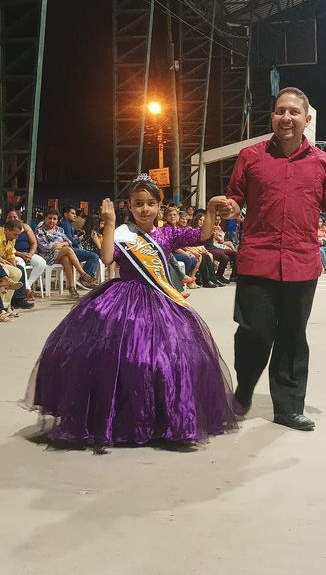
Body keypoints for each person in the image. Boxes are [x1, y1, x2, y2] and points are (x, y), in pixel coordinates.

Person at [21, 175, 238, 452]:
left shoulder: (168, 233)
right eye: (138, 203)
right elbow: (107, 257)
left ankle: (164, 420)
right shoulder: (123, 232)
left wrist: (211, 207)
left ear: (159, 206)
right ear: (130, 206)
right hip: (123, 300)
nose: (145, 209)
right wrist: (110, 223)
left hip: (159, 301)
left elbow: (203, 236)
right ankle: (121, 419)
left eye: (150, 203)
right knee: (119, 359)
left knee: (165, 358)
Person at [219, 87, 326, 432]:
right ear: (272, 117)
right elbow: (235, 199)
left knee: (293, 336)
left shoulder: (323, 162)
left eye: (294, 112)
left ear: (307, 119)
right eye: (280, 111)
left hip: (301, 263)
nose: (286, 117)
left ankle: (289, 407)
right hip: (257, 261)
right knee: (253, 332)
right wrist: (230, 208)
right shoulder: (250, 157)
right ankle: (244, 390)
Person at [35, 209, 97, 300]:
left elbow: (69, 242)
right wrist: (60, 246)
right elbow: (44, 246)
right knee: (67, 250)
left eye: (55, 219)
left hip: (60, 253)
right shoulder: (40, 230)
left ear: (57, 220)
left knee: (66, 258)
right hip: (47, 256)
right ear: (45, 219)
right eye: (50, 218)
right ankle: (83, 274)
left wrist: (61, 244)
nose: (52, 221)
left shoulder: (59, 230)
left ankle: (72, 288)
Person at [6, 209, 46, 301]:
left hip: (28, 253)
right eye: (10, 217)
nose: (12, 219)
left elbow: (34, 243)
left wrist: (30, 254)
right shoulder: (6, 230)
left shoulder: (25, 227)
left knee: (41, 263)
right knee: (21, 264)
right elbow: (8, 248)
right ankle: (27, 290)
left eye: (15, 217)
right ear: (6, 219)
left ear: (19, 218)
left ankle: (28, 285)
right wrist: (20, 254)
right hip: (14, 254)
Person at [60, 205, 100, 279]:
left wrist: (77, 233)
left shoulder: (68, 224)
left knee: (95, 255)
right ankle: (86, 279)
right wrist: (79, 240)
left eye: (75, 213)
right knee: (94, 256)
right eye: (72, 213)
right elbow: (71, 242)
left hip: (72, 249)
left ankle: (86, 278)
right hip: (70, 250)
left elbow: (73, 234)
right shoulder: (65, 224)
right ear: (65, 214)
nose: (75, 215)